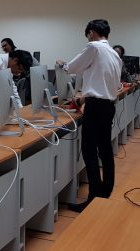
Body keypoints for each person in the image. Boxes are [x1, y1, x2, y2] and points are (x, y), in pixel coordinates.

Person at [57, 19, 122, 212]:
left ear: (91, 33)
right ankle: (105, 191)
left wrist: (62, 63)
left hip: (95, 107)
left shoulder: (93, 47)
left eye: (88, 35)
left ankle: (94, 196)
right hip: (108, 106)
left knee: (89, 151)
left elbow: (72, 68)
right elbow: (110, 84)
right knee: (105, 150)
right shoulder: (114, 54)